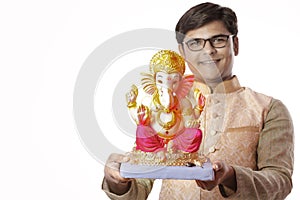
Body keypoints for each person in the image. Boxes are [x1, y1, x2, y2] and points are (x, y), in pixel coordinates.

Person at [102, 2, 294, 199]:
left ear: (234, 45)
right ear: (182, 51)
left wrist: (231, 176)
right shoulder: (163, 104)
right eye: (195, 43)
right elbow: (143, 180)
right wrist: (117, 181)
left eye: (218, 40)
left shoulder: (268, 109)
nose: (208, 50)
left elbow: (280, 181)